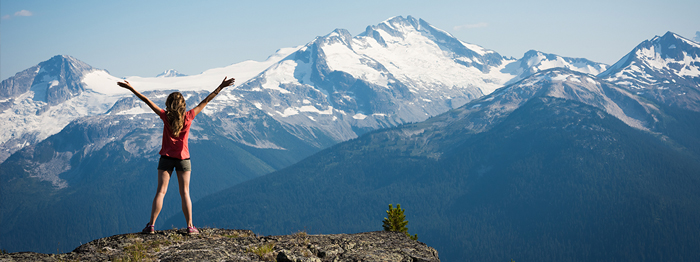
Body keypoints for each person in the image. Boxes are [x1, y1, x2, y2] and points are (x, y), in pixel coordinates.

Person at [117, 76, 235, 235]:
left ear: (169, 104)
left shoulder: (165, 116)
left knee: (161, 192)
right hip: (184, 159)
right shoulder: (190, 116)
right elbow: (206, 101)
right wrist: (221, 86)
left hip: (166, 158)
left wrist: (131, 88)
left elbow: (146, 100)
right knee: (185, 192)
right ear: (183, 105)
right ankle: (190, 226)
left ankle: (151, 225)